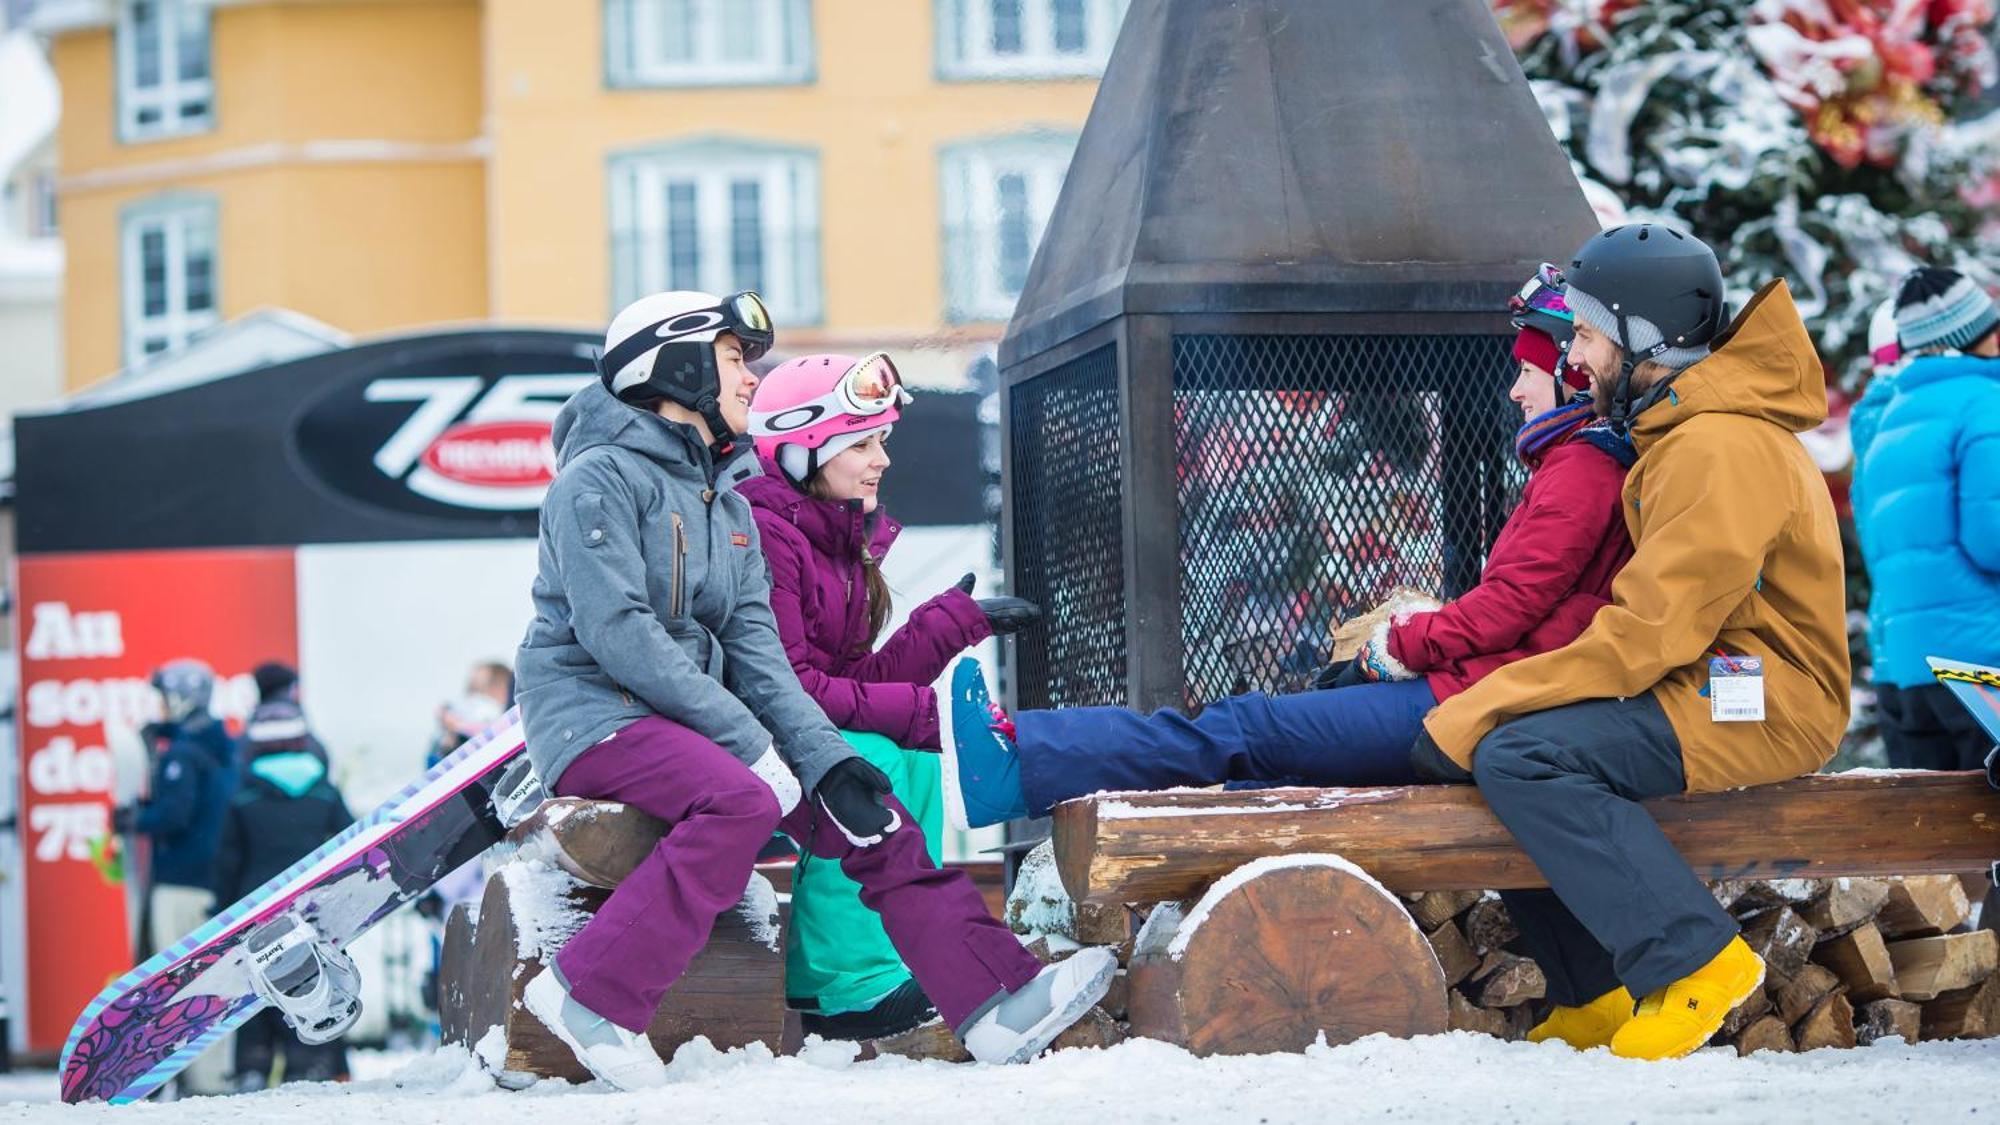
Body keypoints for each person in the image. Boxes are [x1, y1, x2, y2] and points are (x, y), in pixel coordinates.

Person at [513, 290, 1112, 1090]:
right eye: (734, 360)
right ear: (676, 365)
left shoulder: (724, 501)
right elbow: (619, 633)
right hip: (599, 718)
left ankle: (995, 1003)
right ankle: (590, 995)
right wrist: (749, 744)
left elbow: (761, 657)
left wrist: (825, 760)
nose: (751, 379)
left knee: (869, 813)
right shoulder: (597, 482)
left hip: (692, 729)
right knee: (743, 799)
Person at [940, 268, 1636, 829]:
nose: (1515, 387)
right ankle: (1031, 765)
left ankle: (1022, 758)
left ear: (1574, 378)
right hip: (1476, 697)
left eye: (1532, 369)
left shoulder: (1582, 469)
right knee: (1257, 747)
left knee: (1245, 726)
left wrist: (1402, 642)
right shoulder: (1581, 465)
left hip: (1470, 705)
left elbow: (1509, 608)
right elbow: (1526, 607)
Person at [1414, 225, 1848, 1061]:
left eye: (1584, 334)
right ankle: (1596, 994)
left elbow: (1648, 633)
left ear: (1640, 335)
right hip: (1714, 677)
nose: (1574, 359)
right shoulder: (1686, 432)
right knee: (1505, 747)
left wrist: (1482, 701)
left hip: (1766, 695)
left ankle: (1697, 961)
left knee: (1520, 754)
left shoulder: (1719, 446)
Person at [739, 352, 1043, 1040]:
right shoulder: (768, 535)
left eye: (881, 440)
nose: (881, 459)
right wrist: (906, 712)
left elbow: (856, 681)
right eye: (862, 443)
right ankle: (846, 985)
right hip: (745, 735)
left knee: (911, 754)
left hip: (796, 725)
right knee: (871, 757)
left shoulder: (835, 540)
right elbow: (788, 686)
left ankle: (902, 959)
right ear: (802, 449)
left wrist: (955, 622)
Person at [1851, 267, 2000, 770]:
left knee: (1945, 843)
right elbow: (1991, 538)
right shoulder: (1985, 405)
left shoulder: (1887, 421)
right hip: (1984, 670)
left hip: (1910, 671)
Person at [212, 700, 355, 1090]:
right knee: (312, 981)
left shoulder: (243, 796)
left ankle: (253, 1065)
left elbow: (227, 860)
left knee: (256, 988)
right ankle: (315, 1059)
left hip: (254, 907)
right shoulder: (324, 792)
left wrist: (220, 910)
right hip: (312, 910)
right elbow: (351, 846)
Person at [120, 658, 238, 1094]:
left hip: (178, 882)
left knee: (172, 987)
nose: (162, 708)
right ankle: (208, 1076)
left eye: (165, 699)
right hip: (214, 883)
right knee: (208, 985)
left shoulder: (185, 755)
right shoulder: (224, 746)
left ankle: (165, 1076)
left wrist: (133, 819)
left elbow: (173, 815)